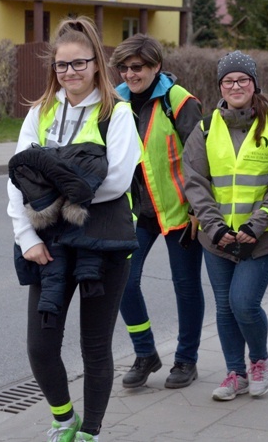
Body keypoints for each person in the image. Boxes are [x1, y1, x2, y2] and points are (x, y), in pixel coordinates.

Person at [6, 15, 141, 442]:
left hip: (101, 243)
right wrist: (26, 237)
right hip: (47, 243)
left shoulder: (116, 112)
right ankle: (64, 419)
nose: (70, 73)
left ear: (96, 63)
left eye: (79, 64)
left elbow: (118, 179)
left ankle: (92, 433)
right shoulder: (39, 113)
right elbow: (18, 179)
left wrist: (48, 187)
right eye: (62, 66)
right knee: (41, 346)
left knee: (95, 346)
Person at [183, 50, 268, 401]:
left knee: (244, 303)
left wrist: (257, 224)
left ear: (254, 85)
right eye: (228, 80)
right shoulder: (204, 128)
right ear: (220, 86)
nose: (236, 86)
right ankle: (235, 372)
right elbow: (195, 182)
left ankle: (260, 360)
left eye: (243, 80)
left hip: (262, 236)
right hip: (217, 236)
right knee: (223, 306)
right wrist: (215, 227)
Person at [109, 34, 205, 390]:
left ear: (156, 67)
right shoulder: (115, 102)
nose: (130, 74)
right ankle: (145, 352)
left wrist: (199, 209)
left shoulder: (179, 102)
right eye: (124, 68)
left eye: (138, 67)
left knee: (186, 287)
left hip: (181, 212)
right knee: (122, 282)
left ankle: (186, 360)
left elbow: (200, 159)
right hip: (136, 214)